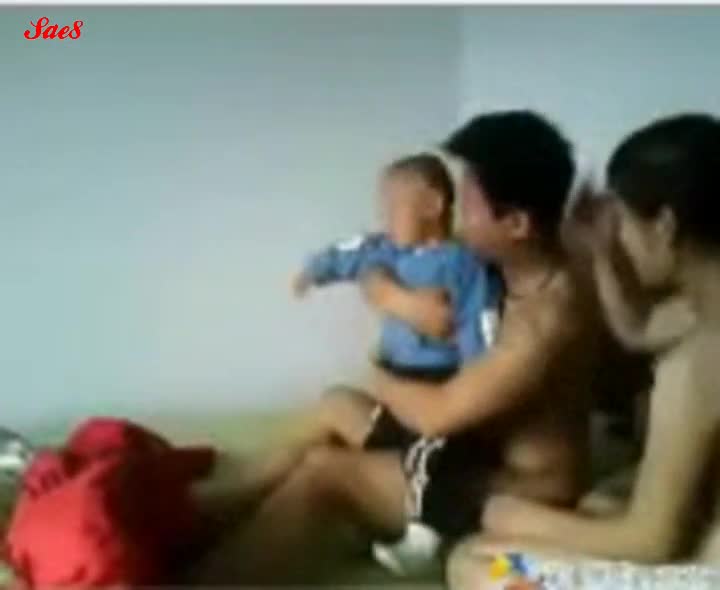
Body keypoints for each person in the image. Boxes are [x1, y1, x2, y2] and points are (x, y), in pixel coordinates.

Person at [190, 111, 606, 585]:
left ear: (515, 223)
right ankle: (206, 511)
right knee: (336, 406)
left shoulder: (545, 321)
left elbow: (435, 414)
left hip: (512, 488)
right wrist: (389, 294)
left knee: (325, 473)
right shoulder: (510, 262)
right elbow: (381, 258)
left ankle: (213, 579)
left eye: (468, 206)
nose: (455, 217)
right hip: (466, 449)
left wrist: (379, 368)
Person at [446, 113, 720, 590]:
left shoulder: (696, 362)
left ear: (665, 225)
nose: (619, 236)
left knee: (477, 561)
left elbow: (652, 541)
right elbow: (639, 329)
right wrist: (599, 250)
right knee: (598, 503)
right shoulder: (702, 312)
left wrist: (507, 514)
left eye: (624, 221)